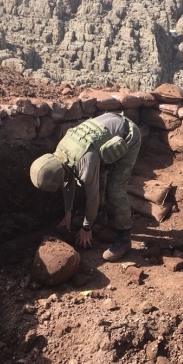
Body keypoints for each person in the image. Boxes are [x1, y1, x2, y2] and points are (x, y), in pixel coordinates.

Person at [29, 112, 141, 261]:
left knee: (115, 189)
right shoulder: (60, 154)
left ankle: (124, 237)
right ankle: (100, 217)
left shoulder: (85, 164)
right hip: (108, 129)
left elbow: (92, 198)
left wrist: (86, 228)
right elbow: (67, 183)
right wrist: (68, 213)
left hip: (128, 135)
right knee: (98, 178)